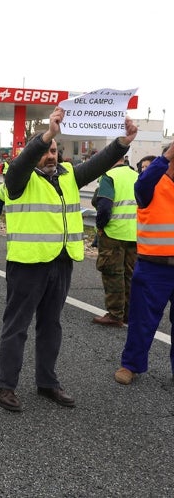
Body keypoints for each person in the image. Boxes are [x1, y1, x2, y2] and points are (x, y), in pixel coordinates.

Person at [0, 107, 137, 412]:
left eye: (55, 150)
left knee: (51, 325)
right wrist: (47, 134)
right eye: (46, 150)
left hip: (60, 263)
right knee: (16, 326)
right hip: (27, 265)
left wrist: (122, 142)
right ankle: (5, 386)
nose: (51, 155)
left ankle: (47, 382)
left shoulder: (69, 176)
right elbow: (21, 164)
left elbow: (97, 164)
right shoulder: (17, 179)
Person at [114, 141, 174, 385]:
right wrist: (168, 155)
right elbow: (141, 184)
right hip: (153, 266)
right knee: (142, 321)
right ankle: (131, 365)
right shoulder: (151, 185)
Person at [92, 155, 138, 327]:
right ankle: (128, 313)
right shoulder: (136, 175)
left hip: (114, 233)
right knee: (130, 274)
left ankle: (115, 314)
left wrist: (100, 226)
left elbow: (104, 206)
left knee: (112, 274)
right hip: (134, 233)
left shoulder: (109, 176)